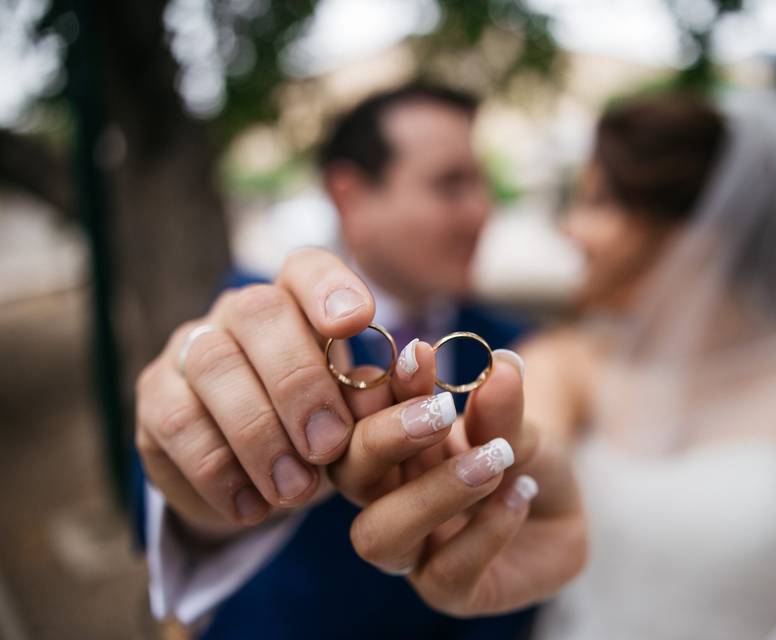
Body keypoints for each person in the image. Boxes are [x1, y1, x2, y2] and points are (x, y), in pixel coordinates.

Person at [498, 88, 776, 639]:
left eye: (598, 202)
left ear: (702, 230)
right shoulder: (566, 364)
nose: (569, 229)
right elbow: (522, 455)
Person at [134, 83, 586, 638]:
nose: (482, 210)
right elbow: (161, 498)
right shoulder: (259, 316)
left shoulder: (511, 344)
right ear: (350, 199)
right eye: (450, 184)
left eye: (481, 180)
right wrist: (208, 499)